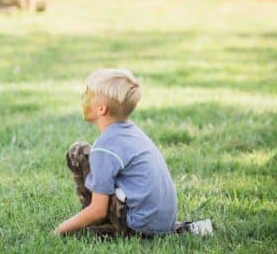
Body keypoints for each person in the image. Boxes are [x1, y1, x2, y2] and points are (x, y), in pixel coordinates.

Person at [52, 68, 209, 238]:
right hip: (163, 221)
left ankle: (100, 226)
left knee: (77, 153)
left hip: (140, 227)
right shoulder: (132, 131)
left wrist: (61, 229)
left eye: (88, 94)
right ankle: (177, 230)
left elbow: (99, 209)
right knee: (85, 155)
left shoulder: (104, 149)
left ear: (101, 109)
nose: (83, 97)